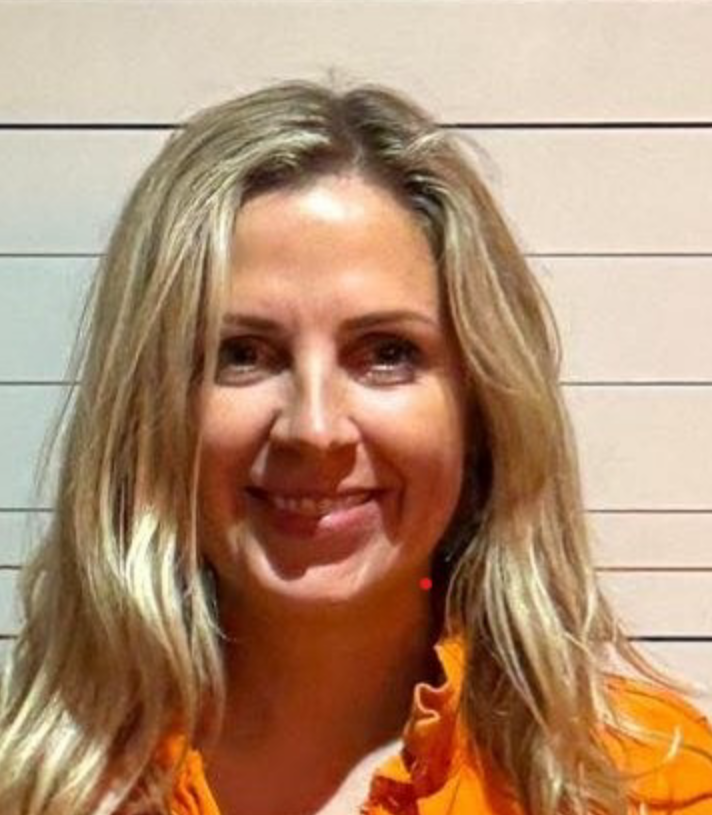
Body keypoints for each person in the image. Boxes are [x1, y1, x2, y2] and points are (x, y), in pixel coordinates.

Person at [0, 79, 710, 815]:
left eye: (387, 353)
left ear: (480, 409)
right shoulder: (30, 789)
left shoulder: (646, 786)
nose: (314, 427)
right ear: (147, 406)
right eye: (242, 352)